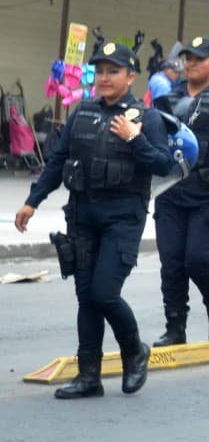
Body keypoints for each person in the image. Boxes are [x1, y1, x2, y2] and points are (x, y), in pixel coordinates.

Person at [14, 42, 174, 399]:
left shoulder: (145, 118)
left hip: (123, 217)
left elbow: (164, 164)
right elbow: (57, 162)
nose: (104, 78)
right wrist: (32, 202)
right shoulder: (82, 113)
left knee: (104, 293)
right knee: (86, 297)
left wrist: (136, 141)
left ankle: (134, 349)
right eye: (100, 71)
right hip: (83, 215)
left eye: (113, 71)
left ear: (131, 77)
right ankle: (89, 376)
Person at [152, 36, 209, 346]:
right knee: (172, 263)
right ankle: (175, 327)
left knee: (200, 260)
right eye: (187, 58)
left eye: (198, 58)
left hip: (207, 195)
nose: (190, 63)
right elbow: (154, 142)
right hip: (171, 194)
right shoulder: (167, 99)